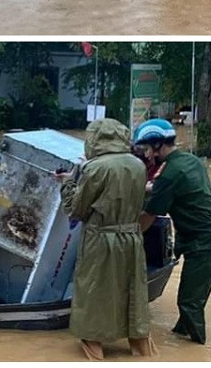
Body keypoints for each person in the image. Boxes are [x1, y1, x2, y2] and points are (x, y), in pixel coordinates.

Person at [55, 118, 154, 360]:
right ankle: (141, 345)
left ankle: (95, 348)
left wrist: (67, 183)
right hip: (131, 238)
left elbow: (77, 209)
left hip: (100, 239)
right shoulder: (138, 165)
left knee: (93, 292)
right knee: (131, 290)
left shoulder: (95, 168)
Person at [137, 119, 211, 345]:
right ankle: (181, 339)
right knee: (192, 300)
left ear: (158, 145)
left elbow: (148, 219)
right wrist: (149, 187)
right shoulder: (191, 161)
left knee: (189, 303)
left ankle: (198, 352)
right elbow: (170, 188)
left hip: (204, 244)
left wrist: (123, 236)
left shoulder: (169, 174)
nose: (147, 156)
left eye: (147, 149)